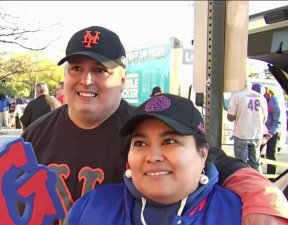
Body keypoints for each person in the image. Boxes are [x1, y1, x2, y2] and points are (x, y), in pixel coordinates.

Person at [22, 25, 288, 223]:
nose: (86, 80)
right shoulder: (35, 134)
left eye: (101, 70)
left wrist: (264, 198)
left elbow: (223, 166)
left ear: (123, 80)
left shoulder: (145, 127)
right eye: (76, 68)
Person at [64, 94, 243, 225]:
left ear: (203, 153)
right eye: (140, 143)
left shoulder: (240, 214)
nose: (153, 156)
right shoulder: (90, 209)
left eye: (170, 141)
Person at [227, 82, 268, 172]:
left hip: (241, 134)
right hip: (256, 135)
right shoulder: (261, 98)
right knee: (255, 162)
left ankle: (243, 181)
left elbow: (230, 117)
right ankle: (258, 182)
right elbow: (265, 118)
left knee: (241, 163)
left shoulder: (238, 97)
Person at [261, 86, 286, 177]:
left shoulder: (274, 101)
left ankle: (272, 178)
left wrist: (269, 135)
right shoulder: (259, 100)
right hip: (263, 130)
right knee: (256, 154)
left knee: (271, 155)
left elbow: (278, 121)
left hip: (274, 131)